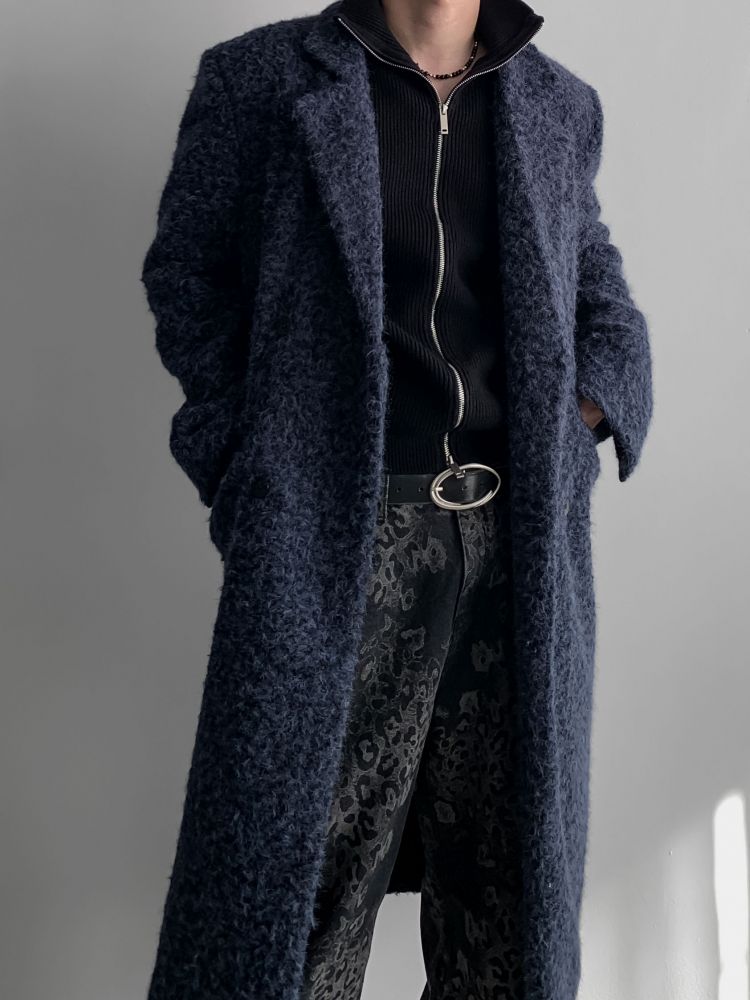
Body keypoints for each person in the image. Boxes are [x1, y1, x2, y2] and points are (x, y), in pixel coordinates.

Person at [140, 1, 653, 998]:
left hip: (516, 556)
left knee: (505, 917)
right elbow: (187, 276)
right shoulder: (262, 80)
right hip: (339, 538)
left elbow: (594, 280)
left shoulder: (559, 105)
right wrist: (250, 463)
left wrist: (586, 416)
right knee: (296, 918)